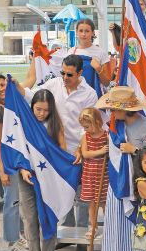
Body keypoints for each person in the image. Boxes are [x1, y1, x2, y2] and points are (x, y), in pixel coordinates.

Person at [87, 87, 146, 251]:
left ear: (126, 110)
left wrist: (135, 150)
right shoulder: (115, 126)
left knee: (141, 227)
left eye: (113, 108)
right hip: (118, 183)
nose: (109, 112)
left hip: (140, 186)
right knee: (114, 225)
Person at [21, 54, 98, 229]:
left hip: (78, 151)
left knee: (82, 194)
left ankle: (82, 231)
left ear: (80, 73)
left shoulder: (90, 94)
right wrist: (16, 87)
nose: (65, 77)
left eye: (69, 75)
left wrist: (80, 148)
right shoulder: (53, 84)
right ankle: (67, 229)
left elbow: (90, 125)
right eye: (63, 73)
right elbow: (32, 95)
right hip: (55, 150)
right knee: (61, 190)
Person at [19, 89, 66, 251]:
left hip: (48, 180)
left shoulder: (55, 125)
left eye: (46, 110)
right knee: (30, 220)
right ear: (31, 107)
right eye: (38, 109)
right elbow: (18, 149)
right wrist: (22, 169)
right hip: (26, 177)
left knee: (47, 219)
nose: (41, 113)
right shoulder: (24, 124)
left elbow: (62, 151)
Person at [0, 74, 30, 251]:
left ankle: (20, 236)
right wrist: (2, 170)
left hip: (22, 160)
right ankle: (12, 241)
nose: (0, 89)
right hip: (9, 163)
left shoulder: (15, 104)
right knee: (12, 202)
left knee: (22, 201)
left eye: (3, 84)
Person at [75, 107, 109, 241]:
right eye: (83, 127)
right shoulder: (86, 137)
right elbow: (85, 154)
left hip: (104, 174)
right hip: (90, 174)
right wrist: (101, 151)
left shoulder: (106, 135)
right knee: (92, 203)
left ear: (97, 122)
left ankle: (109, 226)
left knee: (105, 202)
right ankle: (93, 226)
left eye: (87, 126)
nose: (85, 129)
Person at [64, 19, 113, 88]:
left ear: (93, 33)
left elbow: (107, 83)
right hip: (73, 95)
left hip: (94, 96)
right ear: (76, 32)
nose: (83, 34)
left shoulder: (101, 53)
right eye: (81, 31)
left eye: (87, 31)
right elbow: (65, 78)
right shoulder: (70, 52)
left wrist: (98, 69)